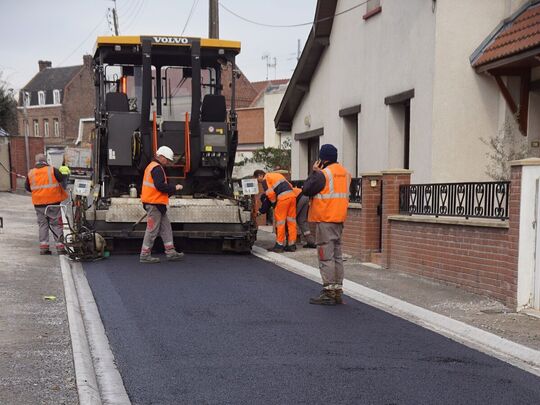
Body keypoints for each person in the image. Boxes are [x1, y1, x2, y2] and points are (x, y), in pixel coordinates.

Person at [302, 144, 351, 305]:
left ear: (322, 159)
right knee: (337, 256)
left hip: (325, 219)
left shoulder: (323, 174)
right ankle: (337, 290)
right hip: (339, 219)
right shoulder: (345, 173)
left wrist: (314, 172)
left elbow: (306, 189)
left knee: (325, 256)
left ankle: (329, 291)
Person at [139, 146, 185, 263]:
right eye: (167, 160)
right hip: (154, 204)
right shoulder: (157, 168)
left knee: (166, 228)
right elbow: (160, 186)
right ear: (161, 157)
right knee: (152, 230)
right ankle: (145, 255)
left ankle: (171, 252)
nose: (168, 162)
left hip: (156, 203)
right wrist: (174, 187)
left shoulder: (152, 167)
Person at [25, 153, 67, 255]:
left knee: (43, 224)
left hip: (39, 204)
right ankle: (60, 248)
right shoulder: (52, 170)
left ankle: (44, 248)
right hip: (53, 203)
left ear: (36, 161)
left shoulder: (31, 173)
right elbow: (62, 179)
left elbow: (27, 187)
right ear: (45, 161)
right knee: (56, 224)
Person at [254, 169, 297, 253]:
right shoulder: (276, 175)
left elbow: (270, 194)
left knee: (280, 222)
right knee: (291, 222)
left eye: (257, 179)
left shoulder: (265, 179)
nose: (258, 182)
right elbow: (289, 185)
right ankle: (292, 245)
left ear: (260, 176)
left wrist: (274, 204)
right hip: (292, 197)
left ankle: (279, 245)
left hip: (283, 199)